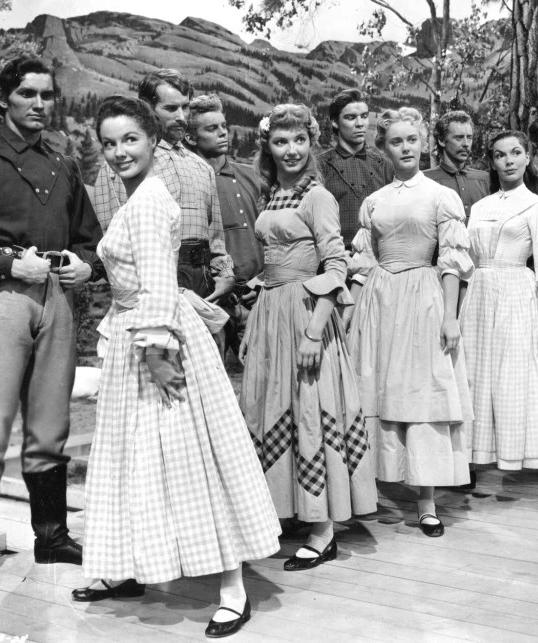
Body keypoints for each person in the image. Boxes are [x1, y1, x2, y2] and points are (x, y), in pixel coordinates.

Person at [75, 96, 280, 639]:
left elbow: (158, 284)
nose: (120, 152)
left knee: (191, 460)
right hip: (137, 334)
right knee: (133, 457)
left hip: (156, 338)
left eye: (130, 139)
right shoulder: (138, 197)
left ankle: (233, 589)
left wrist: (157, 353)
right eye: (110, 143)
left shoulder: (147, 202)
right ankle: (125, 565)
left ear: (151, 140)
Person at [0, 57, 103, 598]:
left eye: (47, 95)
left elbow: (88, 237)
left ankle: (51, 537)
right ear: (3, 99)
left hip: (56, 299)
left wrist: (87, 264)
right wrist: (9, 263)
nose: (40, 104)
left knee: (49, 426)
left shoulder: (64, 166)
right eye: (27, 94)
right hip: (1, 300)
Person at [240, 104, 377, 570]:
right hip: (272, 315)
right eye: (281, 141)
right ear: (268, 147)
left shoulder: (318, 197)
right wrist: (256, 305)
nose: (291, 150)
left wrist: (315, 332)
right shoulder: (274, 195)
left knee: (312, 411)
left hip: (306, 313)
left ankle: (323, 531)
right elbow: (273, 262)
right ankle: (290, 512)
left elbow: (336, 265)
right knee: (275, 409)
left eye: (299, 140)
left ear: (311, 143)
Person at [346, 108, 474, 537]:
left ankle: (426, 501)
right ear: (384, 148)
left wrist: (451, 317)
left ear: (423, 144)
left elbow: (452, 261)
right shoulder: (375, 201)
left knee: (422, 393)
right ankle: (370, 491)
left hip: (423, 298)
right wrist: (350, 316)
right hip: (379, 301)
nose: (405, 148)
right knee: (376, 388)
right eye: (396, 141)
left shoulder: (440, 196)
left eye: (412, 140)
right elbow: (363, 264)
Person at [459, 130, 538, 512]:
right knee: (477, 379)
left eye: (516, 153)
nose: (509, 160)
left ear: (528, 157)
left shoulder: (535, 206)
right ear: (492, 162)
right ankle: (470, 462)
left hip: (518, 295)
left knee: (534, 382)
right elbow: (467, 262)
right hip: (479, 298)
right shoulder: (480, 207)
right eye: (500, 155)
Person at [93, 69, 235, 303]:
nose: (181, 116)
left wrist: (224, 274)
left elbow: (215, 237)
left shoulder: (202, 168)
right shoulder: (122, 167)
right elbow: (111, 246)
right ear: (148, 108)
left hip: (203, 283)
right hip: (150, 285)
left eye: (185, 107)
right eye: (170, 108)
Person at [186, 94, 264, 358]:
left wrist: (262, 283)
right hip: (211, 302)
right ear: (190, 138)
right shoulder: (187, 182)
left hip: (256, 298)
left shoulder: (251, 176)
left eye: (223, 126)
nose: (222, 133)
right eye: (211, 128)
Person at [317, 89, 393, 249]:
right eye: (351, 117)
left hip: (378, 256)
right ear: (335, 122)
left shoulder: (384, 165)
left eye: (364, 116)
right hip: (334, 257)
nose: (360, 123)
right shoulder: (321, 166)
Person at [424, 110, 490, 223]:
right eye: (458, 138)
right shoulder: (425, 180)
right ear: (441, 140)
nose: (466, 144)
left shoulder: (485, 180)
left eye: (469, 137)